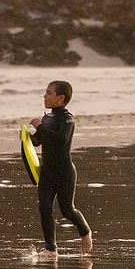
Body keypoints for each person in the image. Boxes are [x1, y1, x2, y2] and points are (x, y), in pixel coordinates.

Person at [30, 80, 93, 259]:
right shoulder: (47, 118)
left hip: (64, 172)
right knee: (44, 207)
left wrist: (39, 127)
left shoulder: (67, 119)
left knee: (67, 210)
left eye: (49, 93)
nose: (45, 96)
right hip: (47, 172)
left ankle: (86, 232)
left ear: (61, 98)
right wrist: (27, 137)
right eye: (45, 92)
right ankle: (50, 249)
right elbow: (38, 141)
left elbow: (60, 140)